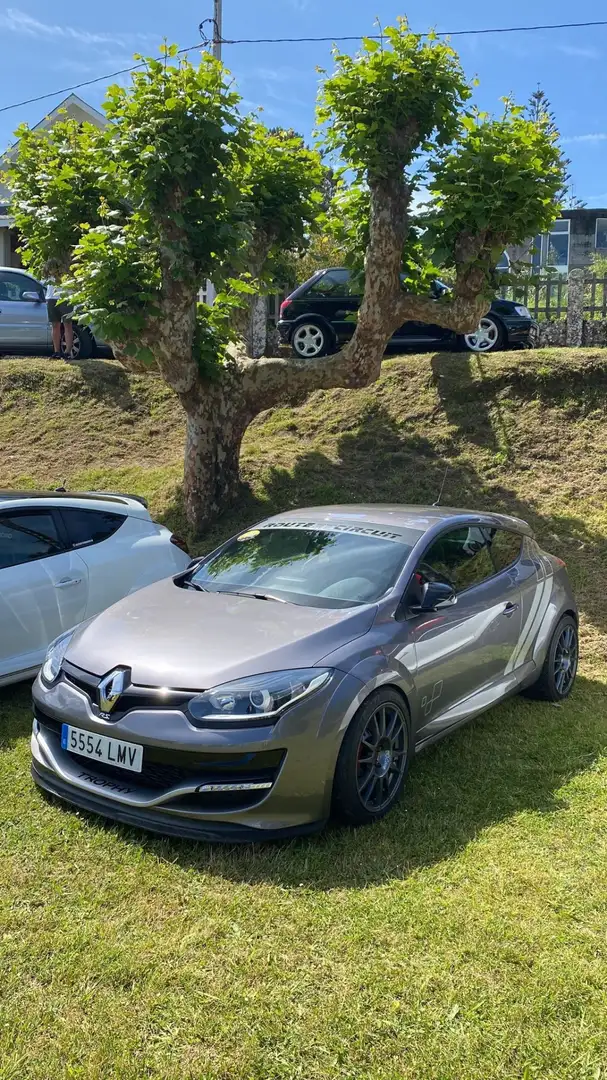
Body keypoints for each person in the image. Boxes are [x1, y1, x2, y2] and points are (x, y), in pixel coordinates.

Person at [46, 281, 74, 360]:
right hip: (51, 296)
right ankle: (56, 352)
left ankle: (67, 352)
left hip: (66, 296)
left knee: (67, 324)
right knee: (55, 325)